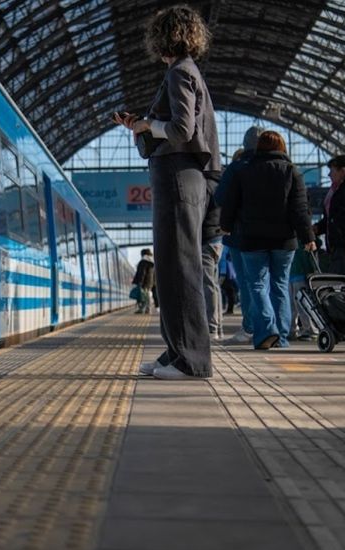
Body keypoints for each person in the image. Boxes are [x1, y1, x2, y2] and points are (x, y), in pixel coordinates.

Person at [114, 4, 220, 380]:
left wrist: (147, 123)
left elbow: (180, 130)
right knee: (173, 268)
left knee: (181, 268)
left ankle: (191, 360)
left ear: (163, 38)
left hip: (180, 178)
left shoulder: (179, 72)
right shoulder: (187, 73)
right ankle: (176, 351)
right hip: (184, 177)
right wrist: (141, 125)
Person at [220, 130, 315, 349]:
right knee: (280, 285)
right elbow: (299, 209)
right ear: (282, 147)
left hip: (252, 239)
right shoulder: (292, 171)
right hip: (284, 241)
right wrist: (308, 237)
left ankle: (265, 331)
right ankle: (281, 337)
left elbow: (230, 202)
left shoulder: (244, 170)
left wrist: (225, 226)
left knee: (256, 285)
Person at [216, 129, 262, 344]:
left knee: (248, 284)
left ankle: (251, 328)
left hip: (240, 235)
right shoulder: (283, 167)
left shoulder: (236, 168)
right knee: (272, 284)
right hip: (275, 237)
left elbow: (220, 197)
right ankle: (275, 330)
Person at [202, 174, 224, 340]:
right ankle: (217, 326)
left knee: (208, 283)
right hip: (217, 238)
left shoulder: (206, 185)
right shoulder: (221, 183)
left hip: (206, 237)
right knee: (214, 284)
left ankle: (211, 327)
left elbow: (199, 213)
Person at [132, 248, 156, 314]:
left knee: (142, 296)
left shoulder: (143, 261)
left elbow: (142, 272)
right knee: (147, 295)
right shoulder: (152, 262)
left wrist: (140, 281)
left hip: (144, 282)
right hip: (150, 282)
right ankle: (147, 309)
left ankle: (142, 309)